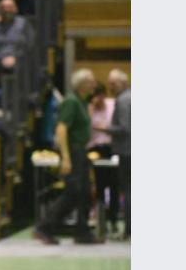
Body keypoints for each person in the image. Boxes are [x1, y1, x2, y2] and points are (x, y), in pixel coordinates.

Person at [34, 68, 100, 245]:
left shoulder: (82, 101)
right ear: (82, 84)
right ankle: (45, 227)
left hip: (81, 151)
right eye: (91, 81)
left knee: (85, 193)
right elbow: (61, 129)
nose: (94, 84)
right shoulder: (71, 102)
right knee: (73, 192)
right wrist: (66, 158)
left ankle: (82, 231)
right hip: (73, 151)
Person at [87, 83, 119, 234]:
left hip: (112, 147)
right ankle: (101, 221)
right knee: (99, 186)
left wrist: (104, 127)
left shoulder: (113, 105)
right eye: (95, 97)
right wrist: (91, 110)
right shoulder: (89, 109)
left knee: (114, 185)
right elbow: (86, 128)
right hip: (95, 149)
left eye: (100, 97)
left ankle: (113, 219)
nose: (98, 100)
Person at [104, 69, 131, 239]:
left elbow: (124, 128)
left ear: (122, 82)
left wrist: (103, 128)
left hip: (127, 150)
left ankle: (129, 229)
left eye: (113, 83)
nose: (110, 87)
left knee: (128, 190)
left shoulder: (123, 100)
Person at [0, 0, 35, 70]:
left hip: (22, 62)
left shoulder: (23, 23)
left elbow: (31, 43)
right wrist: (0, 59)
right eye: (3, 7)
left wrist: (17, 58)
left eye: (10, 7)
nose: (7, 10)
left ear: (15, 9)